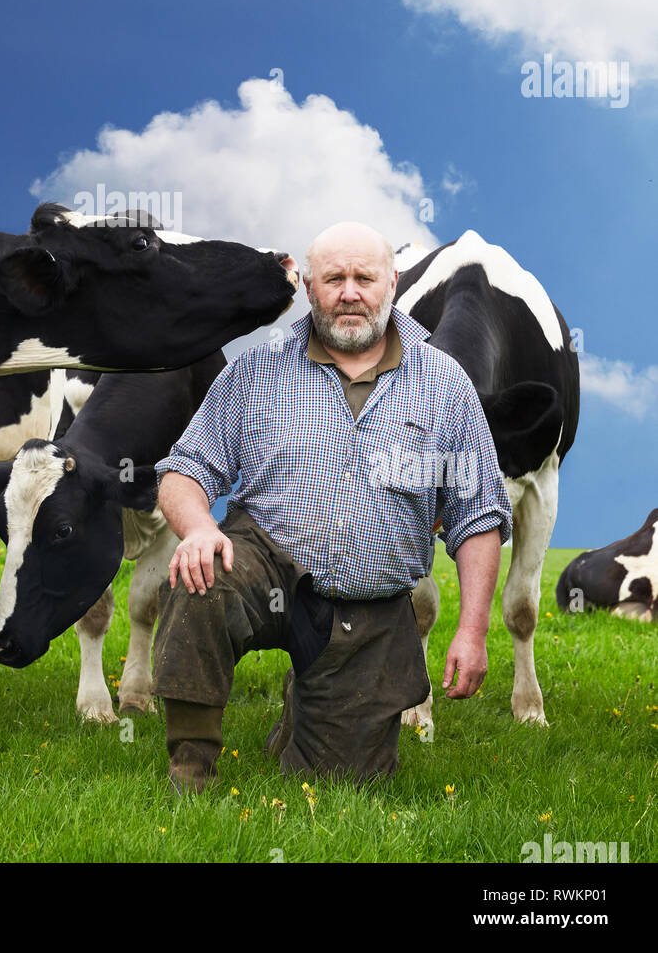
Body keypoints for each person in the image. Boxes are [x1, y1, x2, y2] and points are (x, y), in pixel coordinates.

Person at [151, 221, 512, 793]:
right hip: (265, 563)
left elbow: (478, 518)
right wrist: (197, 528)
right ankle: (191, 770)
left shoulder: (444, 383)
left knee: (345, 785)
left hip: (365, 608)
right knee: (202, 580)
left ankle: (308, 704)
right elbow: (183, 470)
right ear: (309, 289)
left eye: (364, 278)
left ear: (391, 283)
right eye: (334, 278)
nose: (350, 293)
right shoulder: (256, 371)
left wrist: (472, 632)